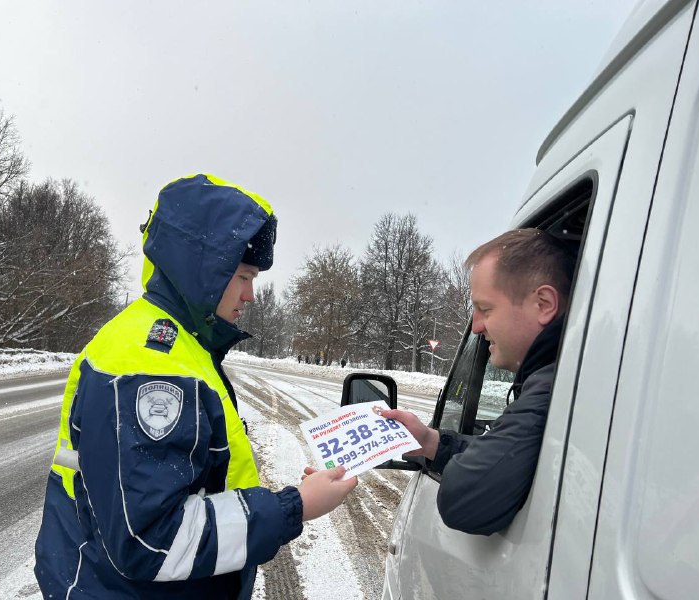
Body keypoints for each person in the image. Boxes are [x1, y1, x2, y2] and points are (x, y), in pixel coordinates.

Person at [34, 174, 357, 599]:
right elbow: (151, 541)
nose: (250, 296)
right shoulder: (152, 365)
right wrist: (292, 507)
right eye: (243, 276)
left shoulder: (175, 342)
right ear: (203, 268)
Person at [382, 229, 575, 536]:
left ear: (544, 304)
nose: (476, 326)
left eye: (485, 309)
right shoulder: (563, 377)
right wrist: (431, 442)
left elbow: (464, 498)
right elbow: (509, 459)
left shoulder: (554, 389)